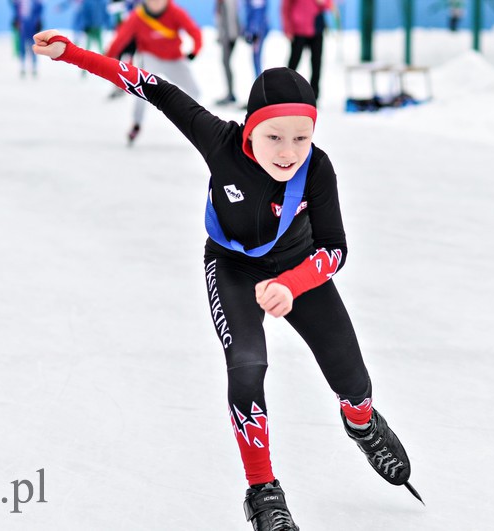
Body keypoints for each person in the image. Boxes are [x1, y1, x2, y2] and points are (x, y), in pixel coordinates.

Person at [33, 28, 420, 531]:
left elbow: (335, 248)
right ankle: (263, 492)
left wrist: (292, 283)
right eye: (274, 136)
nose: (288, 152)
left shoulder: (318, 170)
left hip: (297, 268)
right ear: (250, 130)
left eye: (301, 137)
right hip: (233, 267)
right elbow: (152, 86)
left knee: (351, 376)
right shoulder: (218, 140)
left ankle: (362, 423)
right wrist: (73, 54)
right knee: (247, 365)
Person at [103, 0, 202, 145]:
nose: (155, 3)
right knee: (141, 91)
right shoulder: (137, 16)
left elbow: (194, 31)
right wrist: (106, 59)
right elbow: (121, 38)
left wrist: (195, 51)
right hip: (150, 58)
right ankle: (136, 124)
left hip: (174, 58)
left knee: (195, 91)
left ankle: (193, 123)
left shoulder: (176, 12)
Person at [281, 0, 332, 100]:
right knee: (293, 63)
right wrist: (287, 28)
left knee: (316, 64)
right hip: (298, 30)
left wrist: (323, 2)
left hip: (316, 28)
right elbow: (286, 6)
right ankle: (286, 92)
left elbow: (328, 4)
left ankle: (314, 96)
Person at [215, 0, 241, 105]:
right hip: (226, 37)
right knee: (225, 63)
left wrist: (231, 37)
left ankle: (230, 94)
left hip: (229, 37)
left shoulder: (228, 2)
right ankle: (230, 93)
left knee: (226, 63)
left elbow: (231, 19)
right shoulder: (221, 3)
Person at [10, 0, 44, 77]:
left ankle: (34, 67)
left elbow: (40, 8)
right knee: (22, 46)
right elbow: (15, 8)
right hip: (23, 24)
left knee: (34, 46)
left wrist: (38, 21)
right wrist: (16, 19)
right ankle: (23, 66)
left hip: (32, 24)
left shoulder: (36, 2)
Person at [244, 0, 269, 79]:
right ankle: (259, 79)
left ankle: (259, 79)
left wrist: (254, 31)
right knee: (256, 57)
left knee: (257, 57)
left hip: (258, 30)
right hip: (255, 30)